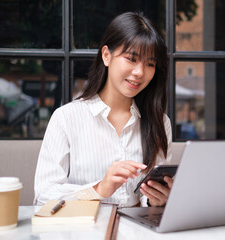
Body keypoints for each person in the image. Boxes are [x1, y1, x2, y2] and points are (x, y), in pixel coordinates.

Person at [34, 12, 173, 208]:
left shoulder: (160, 123)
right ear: (106, 55)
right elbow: (42, 196)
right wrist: (99, 189)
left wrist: (157, 199)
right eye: (131, 59)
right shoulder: (66, 118)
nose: (140, 72)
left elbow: (149, 200)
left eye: (150, 63)